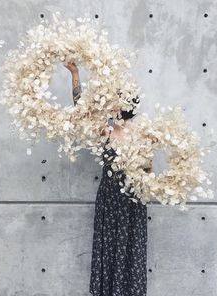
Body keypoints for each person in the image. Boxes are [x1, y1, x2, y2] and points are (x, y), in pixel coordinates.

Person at [64, 62, 149, 296]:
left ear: (126, 105)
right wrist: (75, 74)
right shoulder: (107, 132)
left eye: (116, 100)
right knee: (109, 250)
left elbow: (148, 172)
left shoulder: (143, 137)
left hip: (132, 202)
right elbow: (82, 113)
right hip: (108, 201)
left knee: (131, 250)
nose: (111, 105)